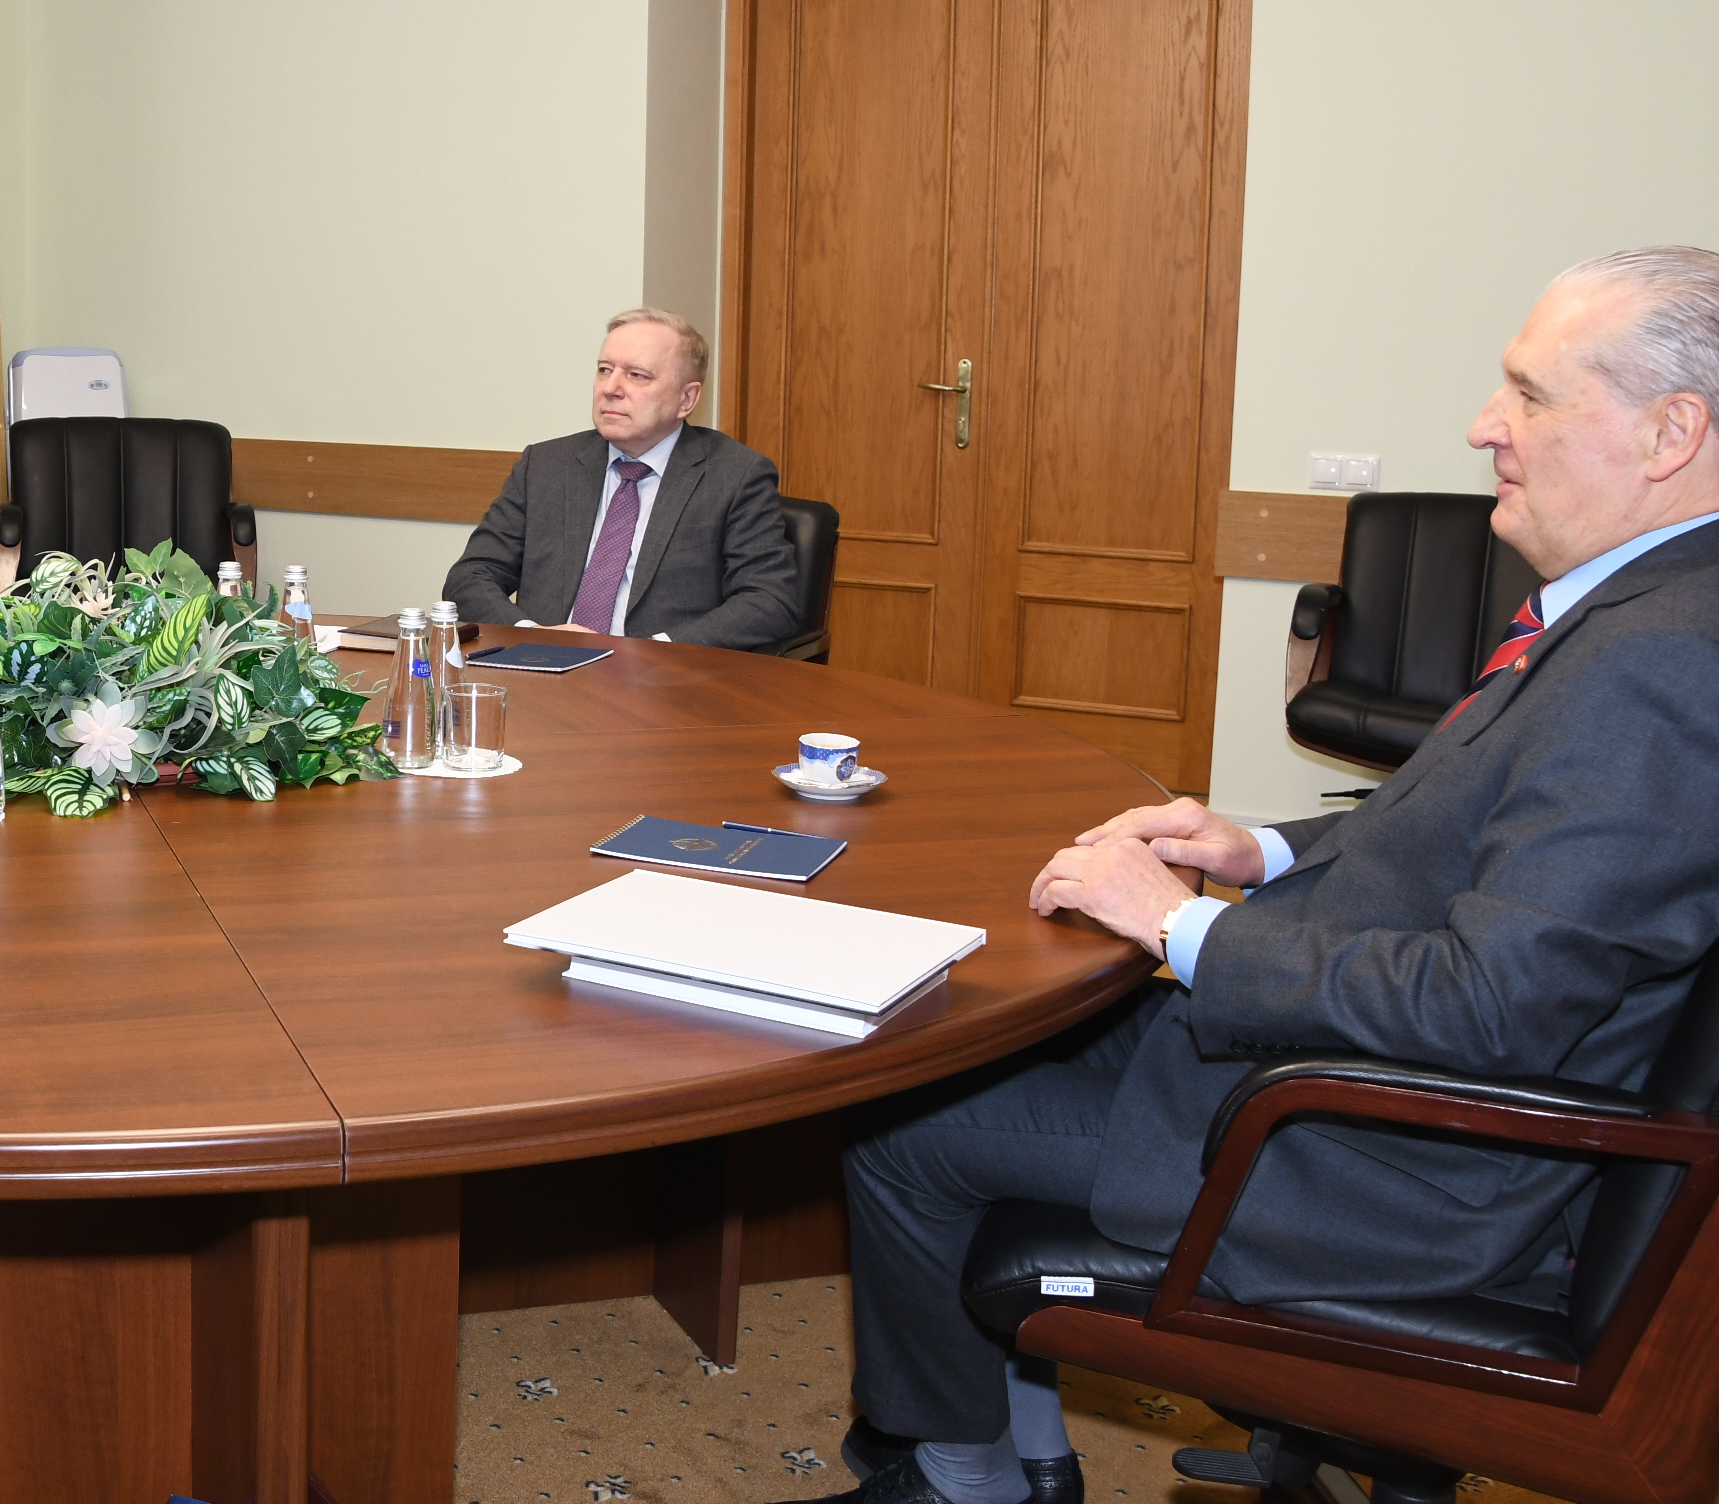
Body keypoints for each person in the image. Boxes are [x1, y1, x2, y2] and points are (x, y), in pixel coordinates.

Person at [802, 246, 1719, 1504]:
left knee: (905, 1122)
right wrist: (1263, 846)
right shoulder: (1641, 606)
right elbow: (1473, 825)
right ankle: (1018, 1450)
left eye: (1531, 393)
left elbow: (1495, 1004)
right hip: (1341, 1073)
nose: (1483, 425)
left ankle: (966, 1477)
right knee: (970, 1038)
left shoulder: (1660, 660)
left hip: (1385, 1157)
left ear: (1673, 432)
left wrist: (1184, 928)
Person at [444, 307, 801, 650]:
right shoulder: (546, 466)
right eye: (604, 370)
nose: (610, 388)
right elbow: (470, 577)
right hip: (542, 668)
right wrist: (534, 636)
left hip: (661, 678)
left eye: (637, 375)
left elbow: (769, 600)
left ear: (687, 399)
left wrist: (655, 651)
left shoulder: (735, 475)